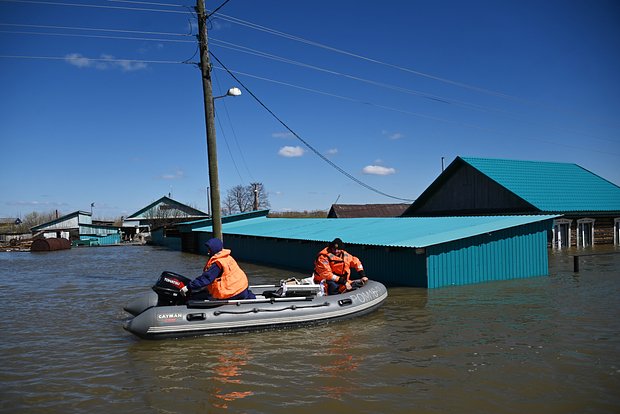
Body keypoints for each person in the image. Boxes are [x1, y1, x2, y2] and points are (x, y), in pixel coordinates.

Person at [181, 238, 256, 300]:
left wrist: (188, 286)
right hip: (242, 287)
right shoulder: (227, 257)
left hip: (232, 292)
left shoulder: (217, 263)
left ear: (214, 250)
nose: (208, 252)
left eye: (209, 250)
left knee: (195, 297)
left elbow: (206, 279)